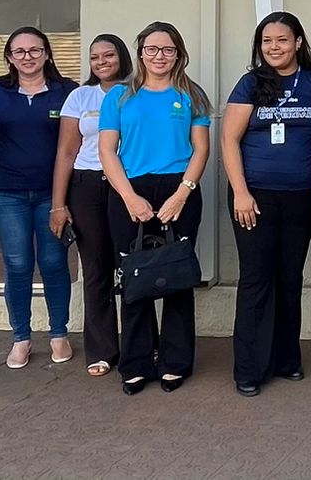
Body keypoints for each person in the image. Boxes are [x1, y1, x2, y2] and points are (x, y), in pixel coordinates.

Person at [98, 21, 213, 395]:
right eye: (151, 49)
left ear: (178, 54)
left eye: (167, 50)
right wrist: (129, 196)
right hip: (129, 189)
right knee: (134, 277)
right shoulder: (118, 96)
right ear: (141, 52)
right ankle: (136, 362)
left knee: (176, 275)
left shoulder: (191, 94)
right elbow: (106, 151)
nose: (159, 57)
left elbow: (201, 149)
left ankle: (175, 362)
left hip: (179, 188)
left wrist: (183, 193)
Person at [223, 12, 311, 397]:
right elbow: (229, 141)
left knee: (289, 277)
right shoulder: (250, 83)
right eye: (267, 41)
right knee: (256, 278)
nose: (274, 47)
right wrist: (241, 192)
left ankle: (287, 358)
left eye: (282, 40)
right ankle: (249, 368)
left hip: (301, 198)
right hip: (255, 197)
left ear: (298, 42)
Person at [0, 27, 79, 370]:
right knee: (17, 265)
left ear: (47, 54)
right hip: (6, 192)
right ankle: (21, 337)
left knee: (53, 262)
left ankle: (58, 334)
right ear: (8, 58)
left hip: (54, 192)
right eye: (19, 52)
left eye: (35, 50)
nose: (27, 57)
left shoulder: (67, 92)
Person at [50, 34, 132, 378]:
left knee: (130, 267)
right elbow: (66, 152)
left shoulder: (137, 92)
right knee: (96, 269)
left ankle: (137, 345)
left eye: (108, 55)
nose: (101, 62)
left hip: (126, 185)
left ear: (122, 57)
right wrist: (58, 204)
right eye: (95, 57)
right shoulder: (79, 96)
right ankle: (101, 350)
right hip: (86, 186)